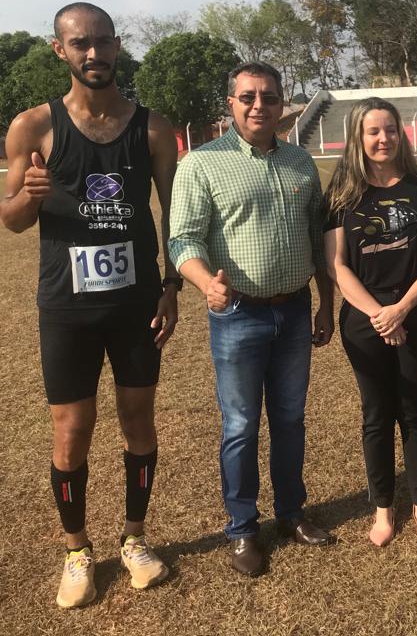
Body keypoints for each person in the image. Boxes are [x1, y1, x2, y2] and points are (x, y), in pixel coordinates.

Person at [0, 2, 178, 608]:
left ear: (117, 45)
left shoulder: (153, 129)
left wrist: (172, 285)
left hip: (136, 304)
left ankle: (134, 540)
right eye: (81, 44)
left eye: (103, 42)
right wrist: (28, 195)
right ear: (60, 50)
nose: (94, 53)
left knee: (137, 424)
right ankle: (78, 550)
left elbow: (171, 213)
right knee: (71, 431)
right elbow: (13, 221)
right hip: (66, 307)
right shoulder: (32, 128)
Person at [169, 60, 336, 577]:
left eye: (268, 96)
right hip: (237, 313)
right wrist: (204, 281)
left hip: (295, 307)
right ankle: (242, 529)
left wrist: (327, 303)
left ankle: (291, 514)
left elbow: (319, 241)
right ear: (231, 103)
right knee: (241, 425)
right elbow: (184, 239)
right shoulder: (201, 164)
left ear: (282, 101)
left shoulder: (300, 162)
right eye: (248, 97)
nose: (258, 105)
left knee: (290, 420)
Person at [323, 98, 417, 546]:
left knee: (414, 409)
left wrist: (402, 310)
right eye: (373, 131)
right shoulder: (341, 193)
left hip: (415, 312)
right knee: (376, 413)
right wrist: (379, 314)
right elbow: (337, 265)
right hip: (365, 319)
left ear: (400, 133)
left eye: (390, 129)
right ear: (359, 137)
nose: (383, 139)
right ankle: (382, 507)